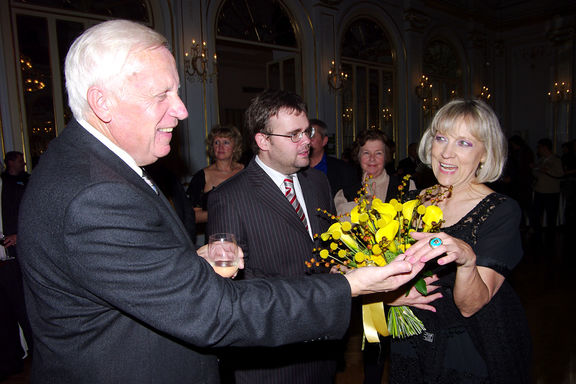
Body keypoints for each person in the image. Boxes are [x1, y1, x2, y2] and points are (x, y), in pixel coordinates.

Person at [17, 20, 427, 384]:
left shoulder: (86, 165)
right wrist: (352, 284)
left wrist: (190, 262)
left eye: (176, 91)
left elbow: (128, 275)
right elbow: (215, 312)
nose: (180, 110)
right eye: (162, 94)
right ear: (102, 102)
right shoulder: (96, 194)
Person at [388, 99, 531, 383]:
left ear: (485, 153)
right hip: (411, 338)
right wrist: (389, 296)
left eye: (464, 143)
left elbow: (471, 305)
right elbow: (387, 271)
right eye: (441, 138)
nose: (446, 153)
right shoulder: (408, 202)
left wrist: (467, 261)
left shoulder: (500, 210)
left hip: (470, 343)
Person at [207, 90, 342, 383]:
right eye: (294, 135)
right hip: (272, 359)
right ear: (263, 141)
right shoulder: (229, 198)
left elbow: (329, 249)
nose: (307, 140)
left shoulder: (318, 182)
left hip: (323, 346)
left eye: (307, 131)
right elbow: (231, 290)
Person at [334, 129, 415, 217]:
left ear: (386, 156)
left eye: (378, 153)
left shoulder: (406, 186)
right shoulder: (344, 195)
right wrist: (366, 202)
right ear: (358, 156)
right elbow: (344, 225)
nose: (372, 158)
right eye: (366, 153)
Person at [186, 125, 244, 243]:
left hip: (246, 233)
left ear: (235, 147)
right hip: (217, 237)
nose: (220, 147)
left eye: (226, 142)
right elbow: (193, 216)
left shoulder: (246, 171)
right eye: (216, 142)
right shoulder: (201, 177)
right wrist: (222, 214)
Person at [308, 118, 360, 197]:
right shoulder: (295, 170)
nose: (307, 140)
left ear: (324, 141)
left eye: (311, 136)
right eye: (305, 136)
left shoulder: (344, 170)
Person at [530, 138, 564, 232]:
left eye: (539, 147)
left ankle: (550, 240)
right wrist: (535, 169)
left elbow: (560, 174)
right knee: (537, 215)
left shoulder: (556, 160)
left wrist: (546, 170)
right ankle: (537, 237)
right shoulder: (541, 160)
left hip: (551, 192)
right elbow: (537, 174)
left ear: (545, 148)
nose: (538, 150)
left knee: (551, 217)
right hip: (539, 191)